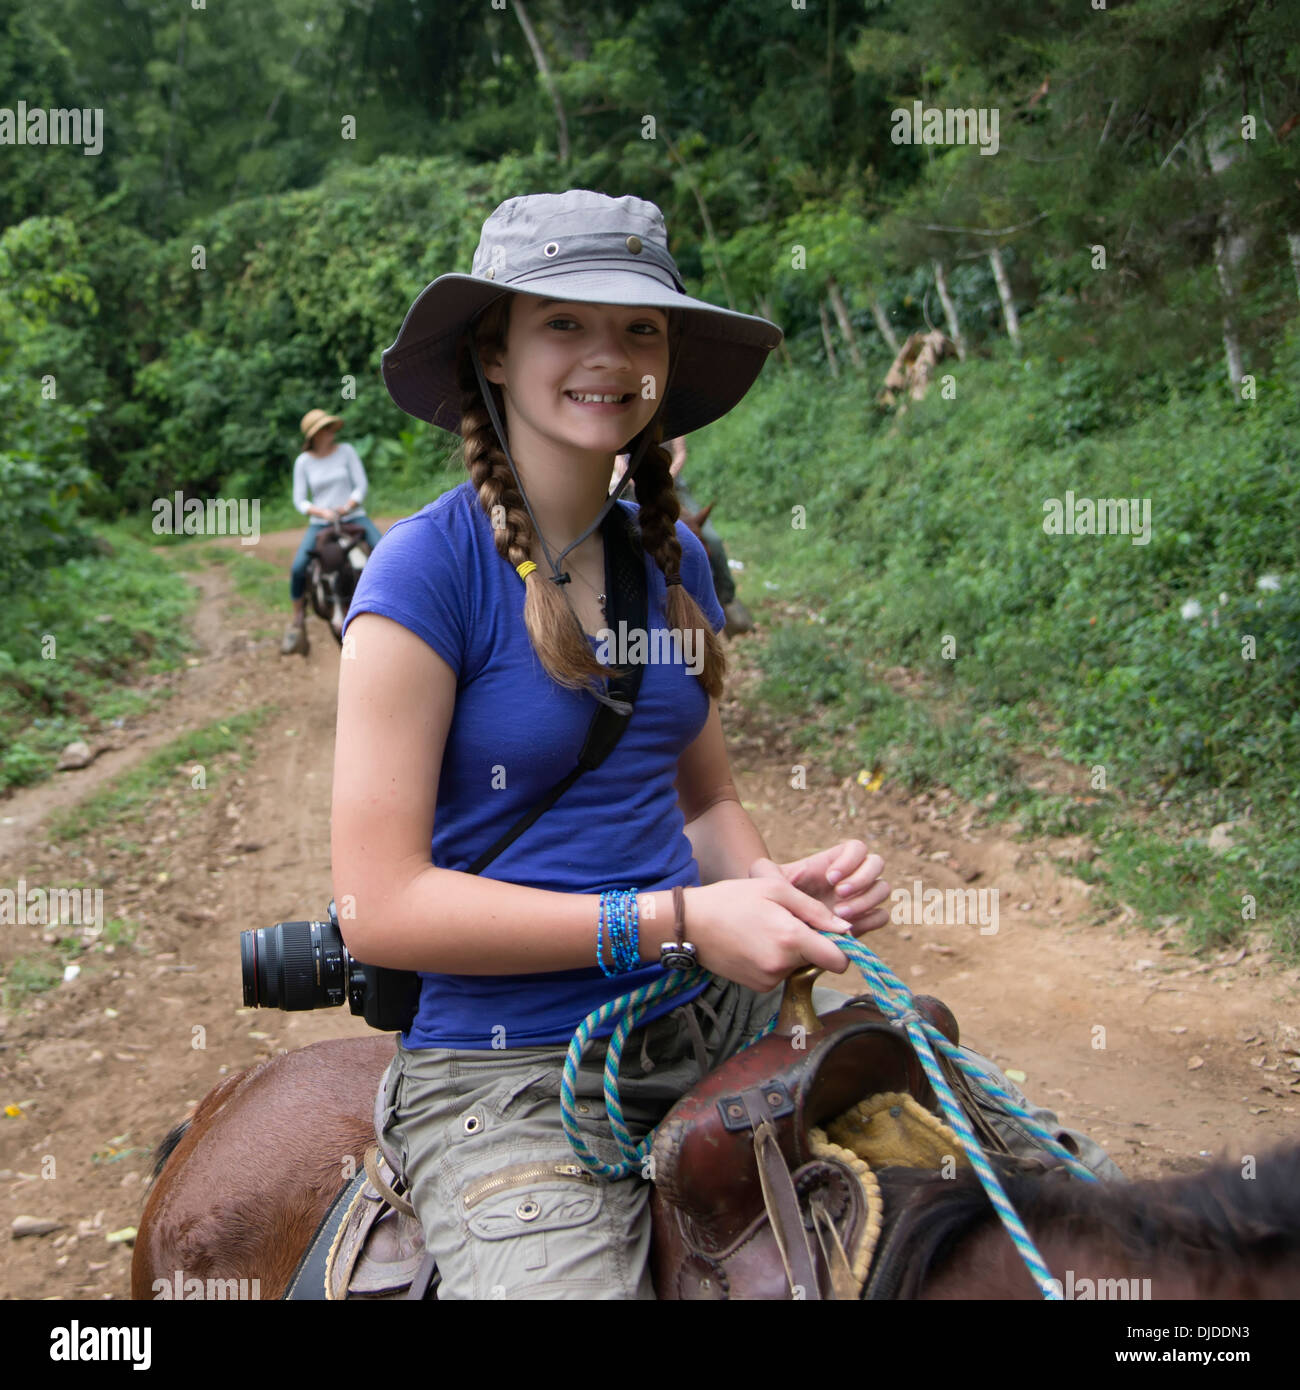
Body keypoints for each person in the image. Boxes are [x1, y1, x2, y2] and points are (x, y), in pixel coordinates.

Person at [331, 191, 1121, 1302]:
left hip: (711, 1013)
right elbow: (381, 905)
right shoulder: (423, 575)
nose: (608, 354)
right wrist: (685, 919)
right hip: (509, 1069)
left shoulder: (673, 565)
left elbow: (703, 806)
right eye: (563, 322)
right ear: (492, 352)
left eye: (640, 328)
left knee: (1071, 1198)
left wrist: (767, 887)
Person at [612, 437, 753, 633]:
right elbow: (618, 459)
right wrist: (635, 478)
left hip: (671, 486)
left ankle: (726, 598)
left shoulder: (671, 418)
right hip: (633, 486)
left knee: (712, 538)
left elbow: (681, 452)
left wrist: (665, 476)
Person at [281, 410, 383, 656]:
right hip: (321, 522)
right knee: (298, 567)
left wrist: (347, 506)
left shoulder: (346, 451)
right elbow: (299, 500)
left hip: (353, 516)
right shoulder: (303, 461)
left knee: (383, 550)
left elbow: (361, 485)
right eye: (325, 429)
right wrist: (321, 512)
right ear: (314, 435)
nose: (331, 432)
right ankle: (297, 618)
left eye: (330, 427)